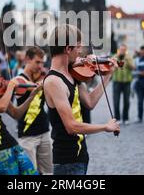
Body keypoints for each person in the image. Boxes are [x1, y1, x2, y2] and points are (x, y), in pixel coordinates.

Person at [43, 24, 120, 175]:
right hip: (66, 161)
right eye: (78, 47)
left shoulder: (73, 74)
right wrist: (105, 127)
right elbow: (71, 126)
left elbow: (90, 102)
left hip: (80, 156)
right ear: (67, 49)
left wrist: (107, 76)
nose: (80, 52)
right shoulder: (54, 81)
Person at [16, 47, 53, 174]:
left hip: (44, 131)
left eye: (42, 63)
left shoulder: (41, 78)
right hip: (27, 135)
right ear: (27, 59)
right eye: (37, 62)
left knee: (48, 172)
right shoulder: (19, 81)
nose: (41, 66)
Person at [112, 44, 134, 125]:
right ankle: (117, 118)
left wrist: (127, 60)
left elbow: (133, 67)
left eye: (124, 50)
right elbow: (111, 68)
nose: (122, 51)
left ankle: (126, 118)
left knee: (126, 101)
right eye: (121, 50)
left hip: (127, 82)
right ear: (119, 50)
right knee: (116, 101)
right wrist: (117, 60)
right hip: (117, 82)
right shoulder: (115, 56)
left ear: (126, 50)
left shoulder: (129, 57)